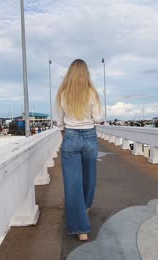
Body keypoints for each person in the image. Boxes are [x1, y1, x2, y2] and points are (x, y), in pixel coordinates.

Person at [56, 59, 103, 241]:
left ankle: (81, 229)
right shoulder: (92, 93)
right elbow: (98, 118)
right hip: (89, 136)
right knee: (90, 176)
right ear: (86, 73)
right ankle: (85, 207)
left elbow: (59, 122)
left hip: (71, 137)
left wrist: (65, 129)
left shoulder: (63, 94)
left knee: (72, 182)